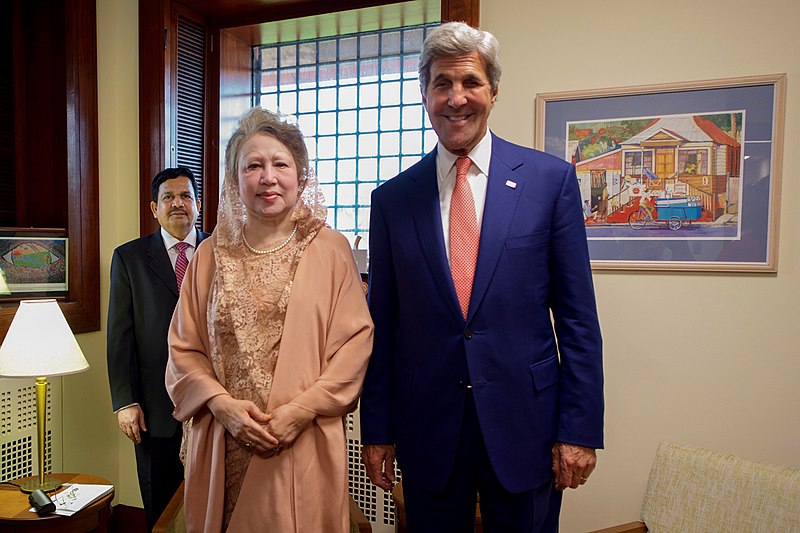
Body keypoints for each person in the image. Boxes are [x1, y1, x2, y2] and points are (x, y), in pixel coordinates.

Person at [360, 22, 604, 532]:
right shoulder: (391, 201)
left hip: (527, 427)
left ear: (493, 89)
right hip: (428, 429)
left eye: (470, 82)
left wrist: (578, 430)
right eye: (442, 83)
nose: (456, 98)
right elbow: (383, 327)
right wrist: (376, 430)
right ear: (424, 93)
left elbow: (578, 319)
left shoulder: (549, 182)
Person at [166, 108, 373, 532]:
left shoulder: (331, 249)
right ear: (234, 178)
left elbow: (355, 345)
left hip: (300, 438)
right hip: (224, 440)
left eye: (280, 164)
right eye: (253, 165)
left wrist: (299, 412)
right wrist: (222, 406)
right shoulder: (209, 255)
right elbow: (183, 347)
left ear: (300, 175)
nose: (268, 177)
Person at [107, 167, 209, 529]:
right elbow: (119, 336)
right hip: (154, 408)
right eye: (168, 197)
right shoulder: (129, 259)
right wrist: (125, 400)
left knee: (217, 504)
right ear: (154, 208)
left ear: (198, 204)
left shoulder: (222, 252)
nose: (178, 204)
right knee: (161, 507)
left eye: (186, 196)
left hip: (217, 404)